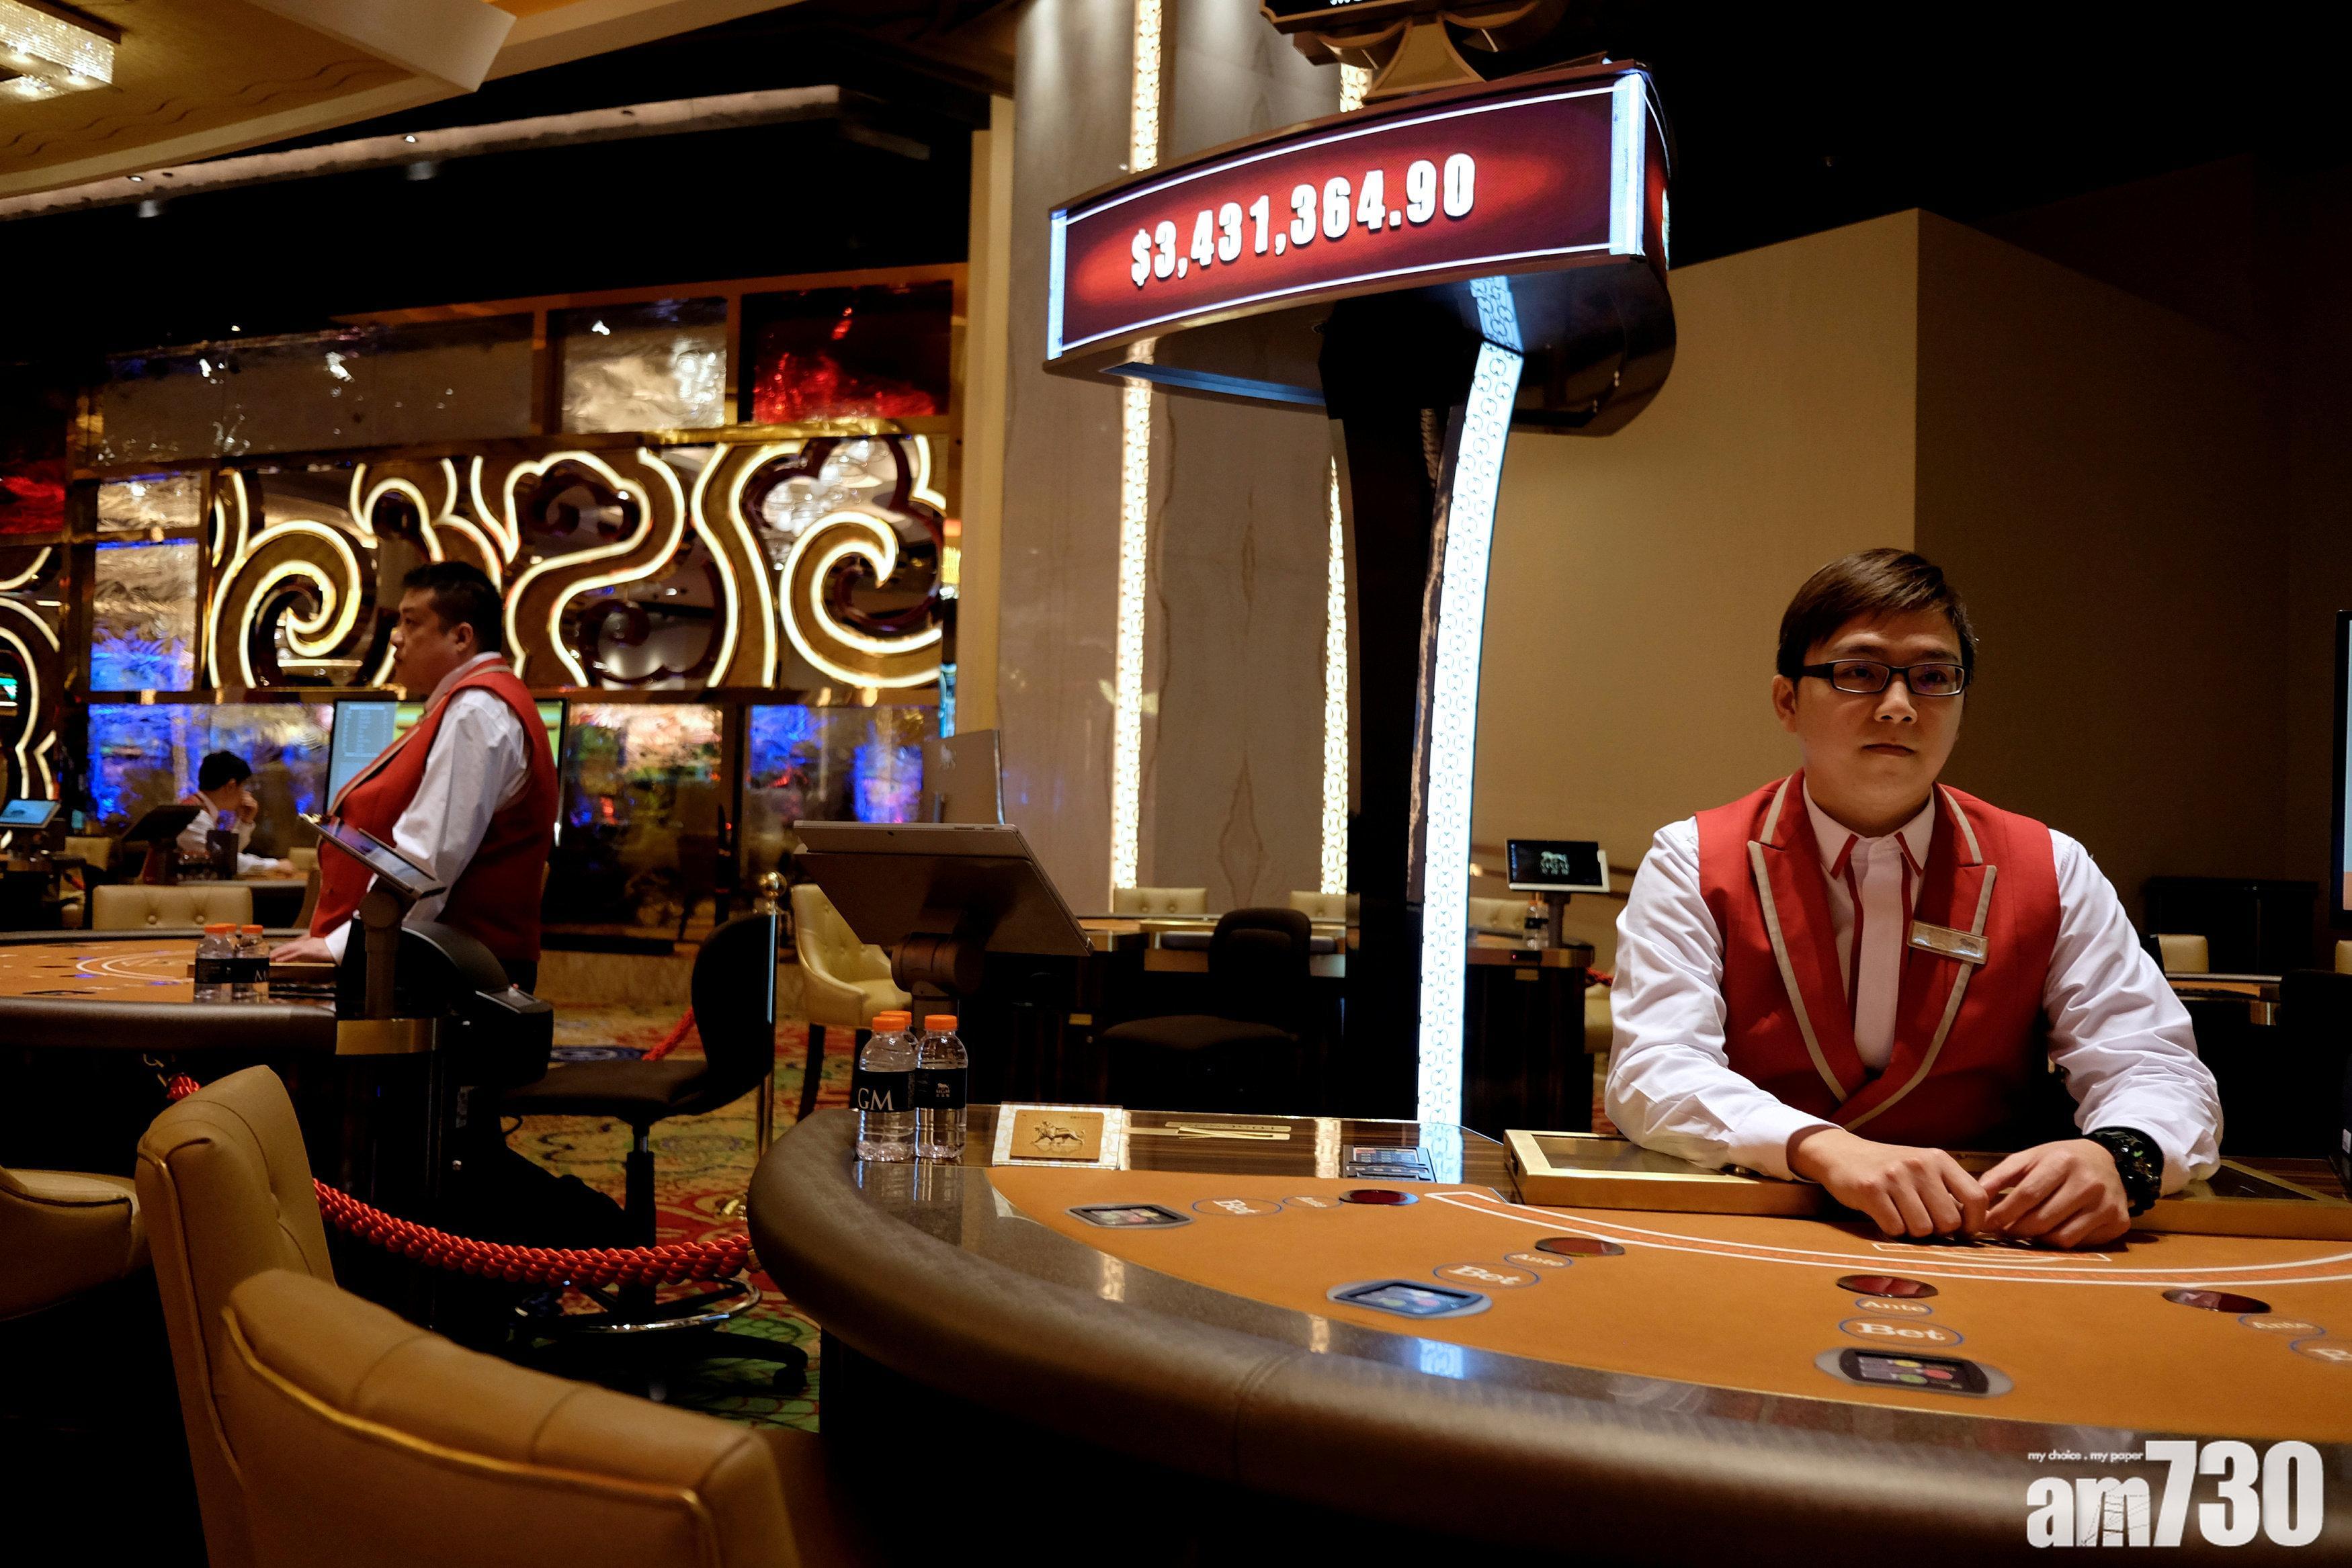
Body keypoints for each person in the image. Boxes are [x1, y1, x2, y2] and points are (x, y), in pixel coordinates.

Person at [1605, 549, 2222, 1250]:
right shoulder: (1692, 860)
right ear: (1787, 701)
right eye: (1858, 672)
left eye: (1932, 678)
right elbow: (1654, 1068)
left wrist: (2120, 1154)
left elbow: (2152, 1063)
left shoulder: (2052, 866)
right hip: (1752, 1218)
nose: (1899, 706)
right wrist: (1820, 1147)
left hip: (1986, 1234)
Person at [271, 562, 556, 990]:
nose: (396, 637)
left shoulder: (476, 710)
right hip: (441, 961)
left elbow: (426, 860)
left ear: (461, 637)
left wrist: (343, 946)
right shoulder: (469, 704)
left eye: (412, 622)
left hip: (450, 972)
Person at [175, 752, 295, 877]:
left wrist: (244, 821)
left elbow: (229, 854)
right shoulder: (194, 815)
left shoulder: (202, 811)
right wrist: (275, 865)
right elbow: (222, 860)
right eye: (243, 787)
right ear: (231, 786)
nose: (245, 793)